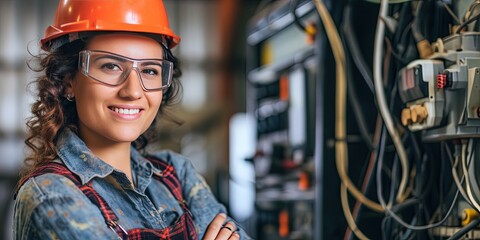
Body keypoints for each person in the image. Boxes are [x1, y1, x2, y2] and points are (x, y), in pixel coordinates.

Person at [13, 1, 251, 239]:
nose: (133, 91)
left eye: (149, 70)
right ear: (68, 81)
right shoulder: (51, 195)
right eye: (111, 66)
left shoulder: (176, 173)